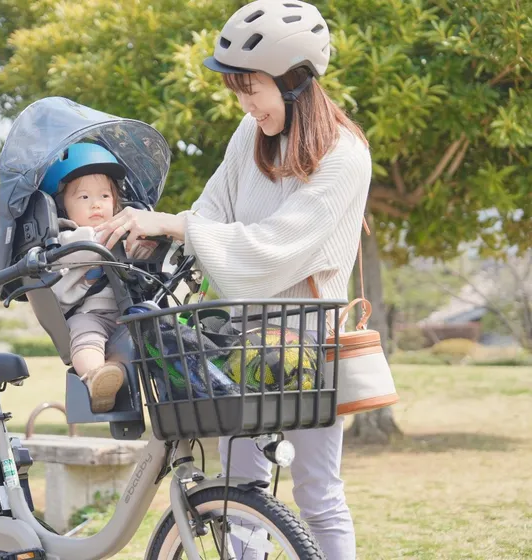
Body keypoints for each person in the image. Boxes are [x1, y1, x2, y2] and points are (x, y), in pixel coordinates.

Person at [95, 1, 370, 557]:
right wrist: (161, 234)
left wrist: (179, 225)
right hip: (244, 340)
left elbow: (276, 249)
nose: (245, 103)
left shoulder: (344, 156)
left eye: (253, 88)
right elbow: (211, 211)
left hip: (309, 342)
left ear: (293, 80)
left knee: (317, 492)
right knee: (237, 491)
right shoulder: (251, 134)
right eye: (238, 90)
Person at [40, 142, 153, 413]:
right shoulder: (68, 237)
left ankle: (109, 380)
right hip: (90, 313)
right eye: (83, 198)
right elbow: (78, 249)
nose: (96, 205)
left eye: (104, 196)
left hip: (129, 312)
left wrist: (147, 242)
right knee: (85, 337)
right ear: (63, 207)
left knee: (146, 337)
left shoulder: (124, 230)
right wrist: (109, 234)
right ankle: (93, 377)